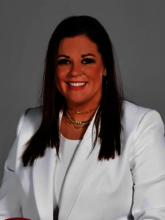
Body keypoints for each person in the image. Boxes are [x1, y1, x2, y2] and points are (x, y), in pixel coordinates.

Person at [0, 15, 165, 220]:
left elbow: (156, 216)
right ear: (53, 69)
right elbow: (5, 212)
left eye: (87, 61)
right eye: (64, 62)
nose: (75, 72)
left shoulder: (142, 126)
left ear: (105, 66)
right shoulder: (28, 124)